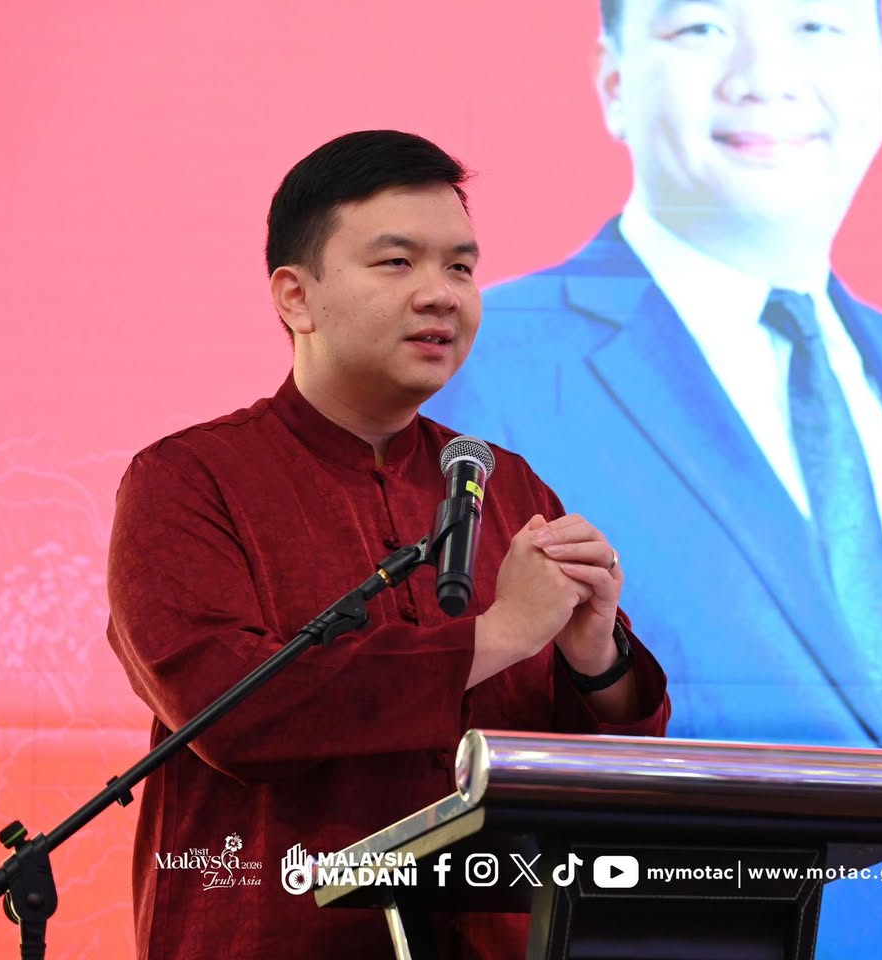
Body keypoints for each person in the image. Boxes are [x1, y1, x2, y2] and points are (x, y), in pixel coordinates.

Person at [423, 1, 882, 957]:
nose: (762, 73)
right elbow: (439, 774)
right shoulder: (487, 369)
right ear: (613, 80)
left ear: (881, 74)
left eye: (815, 28)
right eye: (701, 29)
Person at [105, 130, 670, 959]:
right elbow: (231, 715)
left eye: (461, 267)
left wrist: (596, 661)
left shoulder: (506, 486)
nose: (441, 295)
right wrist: (498, 635)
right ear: (295, 297)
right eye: (397, 263)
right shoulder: (188, 480)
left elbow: (593, 781)